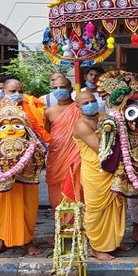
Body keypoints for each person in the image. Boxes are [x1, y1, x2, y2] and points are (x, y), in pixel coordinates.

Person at [0, 99, 47, 258]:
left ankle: (28, 241)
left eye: (16, 125)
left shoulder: (31, 146)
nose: (9, 130)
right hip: (0, 181)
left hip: (26, 179)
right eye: (3, 126)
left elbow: (41, 156)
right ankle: (1, 241)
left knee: (27, 210)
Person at [73, 91, 127, 261]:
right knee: (96, 209)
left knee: (116, 205)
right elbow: (101, 149)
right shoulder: (81, 125)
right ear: (78, 107)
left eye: (92, 101)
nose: (90, 104)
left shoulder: (104, 117)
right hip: (95, 172)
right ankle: (96, 248)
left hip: (113, 168)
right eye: (85, 103)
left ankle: (113, 242)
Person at [44, 75, 81, 210]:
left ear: (70, 89)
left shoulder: (79, 108)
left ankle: (77, 219)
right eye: (56, 88)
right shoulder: (49, 112)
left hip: (76, 154)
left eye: (63, 87)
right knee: (56, 188)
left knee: (76, 183)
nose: (59, 90)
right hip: (57, 155)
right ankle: (60, 218)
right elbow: (47, 134)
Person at [0, 78, 50, 144]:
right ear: (4, 91)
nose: (17, 94)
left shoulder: (32, 107)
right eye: (13, 91)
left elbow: (39, 131)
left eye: (20, 92)